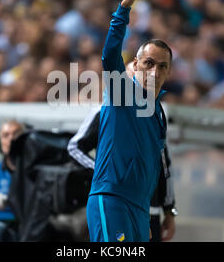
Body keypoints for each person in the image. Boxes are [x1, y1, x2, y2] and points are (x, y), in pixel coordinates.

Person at [85, 0, 173, 242]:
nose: (155, 71)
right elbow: (110, 53)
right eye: (149, 63)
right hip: (111, 199)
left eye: (162, 66)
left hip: (138, 210)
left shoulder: (158, 112)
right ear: (136, 64)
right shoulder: (121, 90)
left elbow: (155, 165)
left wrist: (144, 212)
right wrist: (124, 8)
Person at [67, 103, 177, 242]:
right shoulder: (105, 111)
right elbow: (75, 148)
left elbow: (164, 165)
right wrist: (105, 172)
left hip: (150, 211)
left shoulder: (154, 114)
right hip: (115, 206)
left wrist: (170, 210)